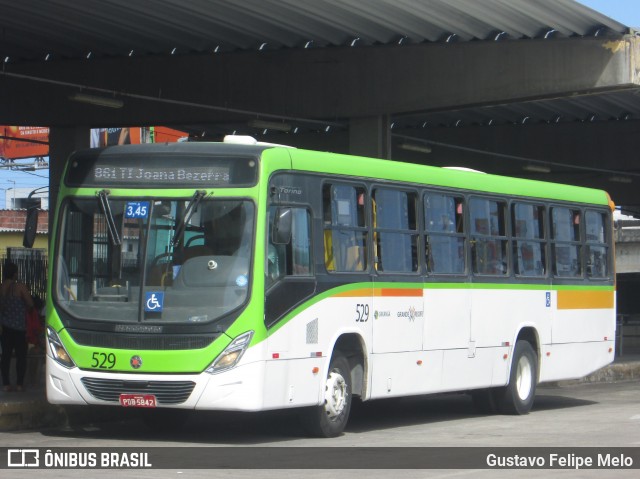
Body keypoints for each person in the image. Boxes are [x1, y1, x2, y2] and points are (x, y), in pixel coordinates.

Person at [0, 263, 35, 392]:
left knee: (5, 357)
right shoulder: (19, 287)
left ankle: (6, 384)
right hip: (20, 329)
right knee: (21, 357)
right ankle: (19, 384)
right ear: (15, 273)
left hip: (5, 329)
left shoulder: (1, 287)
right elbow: (30, 305)